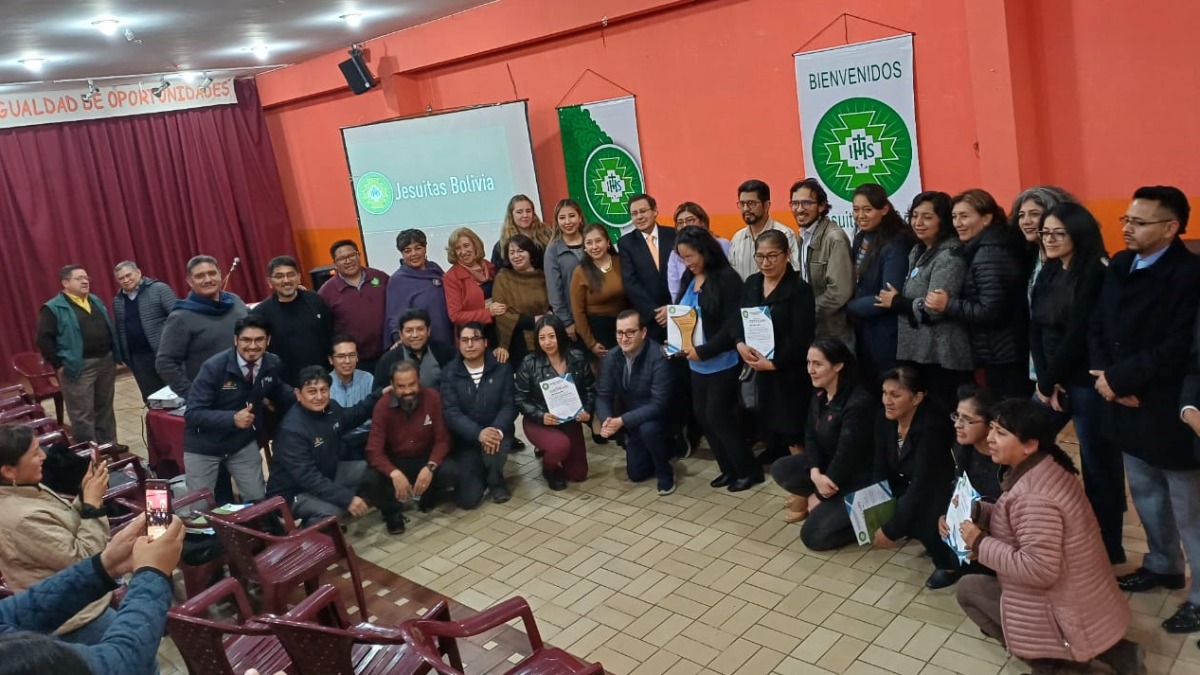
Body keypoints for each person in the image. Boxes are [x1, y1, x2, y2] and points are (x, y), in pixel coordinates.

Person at [956, 399, 1143, 675]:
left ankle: (1059, 665)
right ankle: (1116, 653)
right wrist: (979, 512)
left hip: (1061, 608)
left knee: (968, 591)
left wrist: (980, 543)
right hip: (1079, 599)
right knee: (970, 587)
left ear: (1030, 445)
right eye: (992, 428)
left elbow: (1038, 569)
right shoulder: (1046, 466)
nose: (991, 439)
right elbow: (1020, 523)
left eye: (1001, 433)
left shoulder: (1034, 496)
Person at [1094, 186, 1200, 633]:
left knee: (1189, 507)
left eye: (1138, 222)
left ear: (1171, 227)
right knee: (1147, 495)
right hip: (1121, 399)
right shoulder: (1120, 264)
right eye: (1126, 220)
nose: (1127, 228)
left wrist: (1120, 380)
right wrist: (1105, 377)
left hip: (1166, 403)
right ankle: (1162, 564)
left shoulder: (1189, 275)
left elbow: (1179, 348)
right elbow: (1097, 322)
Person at [1029, 202, 1122, 563]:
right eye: (1045, 232)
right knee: (1026, 442)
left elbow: (1078, 333)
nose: (1049, 239)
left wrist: (1052, 379)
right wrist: (1044, 382)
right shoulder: (1049, 270)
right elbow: (1035, 325)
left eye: (1058, 233)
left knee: (1099, 466)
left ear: (1078, 234)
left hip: (1086, 381)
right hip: (1053, 380)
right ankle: (1050, 525)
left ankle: (1108, 546)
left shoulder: (1096, 272)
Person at [0, 512, 185, 675]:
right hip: (86, 621)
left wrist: (104, 566)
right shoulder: (21, 517)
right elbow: (120, 664)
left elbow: (15, 612)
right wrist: (152, 574)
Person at [0, 424, 113, 644]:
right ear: (8, 471)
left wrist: (84, 493)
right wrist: (92, 507)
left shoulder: (22, 488)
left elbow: (66, 523)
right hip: (77, 619)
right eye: (34, 454)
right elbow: (83, 561)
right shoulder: (20, 518)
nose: (43, 456)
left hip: (80, 601)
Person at [674, 227, 759, 491]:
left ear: (705, 251)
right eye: (683, 258)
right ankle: (727, 469)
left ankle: (747, 471)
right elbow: (680, 313)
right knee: (704, 417)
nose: (688, 263)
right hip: (694, 362)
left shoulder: (727, 279)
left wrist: (705, 350)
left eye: (691, 256)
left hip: (721, 361)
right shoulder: (689, 279)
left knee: (721, 417)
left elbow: (732, 326)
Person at [770, 337, 874, 543]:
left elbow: (848, 455)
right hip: (828, 472)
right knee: (782, 469)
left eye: (817, 364)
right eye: (808, 363)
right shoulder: (819, 392)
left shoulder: (858, 403)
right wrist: (815, 472)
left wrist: (819, 495)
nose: (810, 370)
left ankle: (868, 516)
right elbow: (811, 434)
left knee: (813, 537)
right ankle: (830, 500)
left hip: (859, 477)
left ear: (838, 366)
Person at [928, 190, 1030, 398]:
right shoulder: (984, 247)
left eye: (965, 216)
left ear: (986, 218)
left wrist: (949, 305)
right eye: (955, 217)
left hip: (1003, 356)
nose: (958, 223)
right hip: (999, 352)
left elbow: (991, 310)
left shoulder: (990, 253)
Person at [876, 191, 970, 412]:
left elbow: (936, 308)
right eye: (914, 215)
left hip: (942, 354)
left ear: (943, 220)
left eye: (927, 217)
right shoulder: (918, 250)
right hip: (918, 351)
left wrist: (899, 302)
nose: (918, 223)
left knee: (945, 414)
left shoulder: (950, 256)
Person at [183, 316, 295, 501]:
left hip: (241, 443)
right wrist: (232, 418)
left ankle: (256, 529)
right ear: (235, 340)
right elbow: (193, 414)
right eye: (246, 340)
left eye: (259, 340)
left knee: (258, 498)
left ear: (268, 340)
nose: (252, 346)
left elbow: (276, 388)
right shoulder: (213, 368)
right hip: (204, 446)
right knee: (200, 508)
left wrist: (302, 396)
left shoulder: (272, 363)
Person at [872, 366, 961, 589]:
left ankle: (948, 564)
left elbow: (924, 484)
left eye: (895, 395)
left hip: (939, 490)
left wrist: (892, 529)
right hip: (908, 483)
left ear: (917, 398)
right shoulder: (886, 420)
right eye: (884, 393)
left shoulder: (931, 428)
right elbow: (880, 465)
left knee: (921, 513)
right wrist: (876, 505)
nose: (887, 401)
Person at [736, 230, 815, 465]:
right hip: (757, 368)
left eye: (772, 256)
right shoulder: (752, 283)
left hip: (788, 372)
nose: (765, 263)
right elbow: (738, 320)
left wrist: (773, 363)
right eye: (759, 257)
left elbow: (802, 337)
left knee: (793, 430)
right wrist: (739, 344)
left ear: (787, 254)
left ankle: (804, 483)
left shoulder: (799, 290)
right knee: (767, 422)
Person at [266, 365, 382, 522]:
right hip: (293, 493)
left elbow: (352, 415)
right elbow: (308, 477)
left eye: (324, 390)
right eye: (312, 391)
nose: (319, 397)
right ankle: (305, 539)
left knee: (374, 469)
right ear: (298, 394)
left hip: (328, 474)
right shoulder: (292, 431)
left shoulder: (331, 408)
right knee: (333, 513)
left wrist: (379, 394)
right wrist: (347, 499)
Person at [364, 361, 452, 535]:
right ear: (392, 386)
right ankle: (392, 513)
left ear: (419, 381)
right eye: (401, 386)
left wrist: (430, 467)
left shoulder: (433, 397)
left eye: (412, 384)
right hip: (396, 461)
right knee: (369, 479)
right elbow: (373, 450)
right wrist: (393, 473)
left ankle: (428, 493)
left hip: (424, 458)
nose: (408, 391)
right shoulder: (382, 406)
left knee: (453, 471)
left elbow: (443, 440)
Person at [36, 266, 119, 444]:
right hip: (78, 367)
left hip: (105, 362)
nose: (85, 281)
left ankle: (109, 446)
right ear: (65, 283)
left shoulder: (94, 300)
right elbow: (44, 340)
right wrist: (58, 365)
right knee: (82, 414)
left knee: (104, 409)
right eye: (79, 278)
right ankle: (89, 455)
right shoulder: (52, 308)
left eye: (86, 277)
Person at [597, 310, 675, 494]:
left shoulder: (659, 357)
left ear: (644, 332)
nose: (624, 338)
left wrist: (622, 421)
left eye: (630, 332)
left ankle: (666, 472)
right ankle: (654, 450)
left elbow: (658, 404)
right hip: (632, 419)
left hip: (659, 417)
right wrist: (606, 419)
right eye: (619, 333)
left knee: (649, 429)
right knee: (636, 474)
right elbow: (603, 394)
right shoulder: (612, 357)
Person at [439, 322, 517, 505]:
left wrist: (496, 430)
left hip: (498, 433)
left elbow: (510, 405)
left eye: (475, 339)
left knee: (494, 448)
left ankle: (496, 481)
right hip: (468, 440)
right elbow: (451, 412)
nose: (470, 345)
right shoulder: (449, 372)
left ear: (485, 342)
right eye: (464, 340)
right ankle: (482, 472)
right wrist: (478, 433)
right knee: (468, 500)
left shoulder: (502, 368)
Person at [514, 316, 595, 490]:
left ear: (560, 335)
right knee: (560, 446)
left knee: (578, 474)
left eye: (552, 336)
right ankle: (549, 468)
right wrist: (540, 416)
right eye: (542, 338)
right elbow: (519, 399)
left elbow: (590, 388)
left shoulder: (577, 357)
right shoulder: (529, 363)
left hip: (569, 419)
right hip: (540, 420)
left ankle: (555, 454)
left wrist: (587, 410)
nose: (547, 342)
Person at [845, 184, 912, 385]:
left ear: (884, 209)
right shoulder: (860, 238)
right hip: (863, 332)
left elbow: (887, 297)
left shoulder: (895, 243)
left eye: (868, 209)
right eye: (856, 209)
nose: (860, 215)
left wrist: (847, 307)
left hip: (886, 336)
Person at [156, 255, 249, 398]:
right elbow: (165, 363)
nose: (208, 280)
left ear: (220, 274)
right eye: (200, 276)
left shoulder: (235, 302)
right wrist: (193, 394)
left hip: (250, 386)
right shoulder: (181, 317)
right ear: (189, 281)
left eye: (212, 273)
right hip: (216, 398)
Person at [250, 255, 333, 387]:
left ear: (299, 277)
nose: (286, 280)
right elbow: (256, 355)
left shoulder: (315, 300)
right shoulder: (259, 314)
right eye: (279, 276)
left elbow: (330, 335)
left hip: (324, 380)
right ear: (269, 282)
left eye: (291, 275)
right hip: (286, 387)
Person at [789, 178, 854, 344]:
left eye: (806, 203)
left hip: (834, 333)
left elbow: (840, 292)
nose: (799, 209)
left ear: (822, 206)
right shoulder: (803, 236)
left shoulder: (834, 238)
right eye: (795, 203)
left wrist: (805, 311)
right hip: (812, 330)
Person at [317, 239, 389, 374]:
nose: (348, 261)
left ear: (358, 255)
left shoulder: (380, 278)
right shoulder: (326, 292)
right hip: (354, 363)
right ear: (335, 263)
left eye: (352, 255)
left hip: (387, 354)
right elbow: (325, 330)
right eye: (342, 258)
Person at [111, 261, 176, 401]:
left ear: (138, 273)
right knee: (152, 399)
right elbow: (120, 329)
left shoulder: (160, 289)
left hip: (165, 354)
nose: (126, 280)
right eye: (121, 278)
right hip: (138, 359)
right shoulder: (118, 300)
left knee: (175, 394)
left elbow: (178, 319)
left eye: (128, 275)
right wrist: (123, 356)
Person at [618, 193, 675, 343]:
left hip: (677, 312)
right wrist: (655, 313)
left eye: (643, 211)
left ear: (655, 211)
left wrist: (672, 307)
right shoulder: (626, 243)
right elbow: (631, 282)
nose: (639, 217)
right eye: (634, 213)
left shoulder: (673, 235)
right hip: (649, 319)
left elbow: (684, 275)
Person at [384, 229, 454, 349]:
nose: (414, 254)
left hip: (449, 338)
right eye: (407, 251)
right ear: (401, 253)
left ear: (425, 248)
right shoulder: (398, 280)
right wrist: (399, 340)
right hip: (421, 345)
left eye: (418, 248)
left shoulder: (434, 268)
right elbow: (394, 316)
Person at [570, 222, 628, 360]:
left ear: (608, 242)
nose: (594, 247)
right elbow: (578, 312)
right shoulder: (580, 272)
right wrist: (591, 344)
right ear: (584, 247)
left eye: (598, 241)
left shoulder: (622, 262)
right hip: (598, 334)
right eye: (589, 243)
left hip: (625, 327)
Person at [492, 234, 550, 367]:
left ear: (530, 253)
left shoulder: (543, 276)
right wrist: (534, 320)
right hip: (518, 341)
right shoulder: (503, 278)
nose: (516, 256)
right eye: (511, 252)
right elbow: (501, 314)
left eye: (520, 251)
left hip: (548, 336)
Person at [728, 179, 800, 279]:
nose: (745, 209)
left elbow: (795, 274)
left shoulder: (786, 235)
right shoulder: (737, 238)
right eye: (742, 204)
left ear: (766, 205)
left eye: (751, 203)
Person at [372, 309, 456, 390]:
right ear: (400, 334)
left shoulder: (446, 353)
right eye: (409, 331)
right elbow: (379, 396)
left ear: (428, 331)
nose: (415, 335)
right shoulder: (388, 360)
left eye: (420, 329)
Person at [443, 227, 501, 333]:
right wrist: (488, 313)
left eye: (466, 246)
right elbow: (456, 316)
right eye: (458, 248)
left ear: (475, 245)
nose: (463, 252)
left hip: (500, 328)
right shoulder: (451, 278)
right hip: (474, 334)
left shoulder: (488, 266)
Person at [667, 202, 731, 299]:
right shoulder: (675, 254)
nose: (685, 225)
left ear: (703, 222)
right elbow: (675, 290)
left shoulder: (722, 244)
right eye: (680, 223)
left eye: (690, 220)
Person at [544, 199, 587, 341]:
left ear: (580, 218)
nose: (568, 221)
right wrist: (567, 322)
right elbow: (554, 291)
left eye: (572, 216)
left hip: (601, 314)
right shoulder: (553, 250)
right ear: (557, 222)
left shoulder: (592, 241)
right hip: (574, 319)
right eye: (562, 218)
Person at [327, 335, 373, 459]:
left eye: (352, 355)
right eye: (341, 356)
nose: (347, 361)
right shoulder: (324, 386)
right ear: (331, 360)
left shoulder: (368, 379)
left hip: (365, 442)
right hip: (335, 446)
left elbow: (374, 419)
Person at [491, 194, 552, 268]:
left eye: (528, 211)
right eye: (519, 212)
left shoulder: (548, 236)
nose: (525, 215)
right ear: (511, 215)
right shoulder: (502, 246)